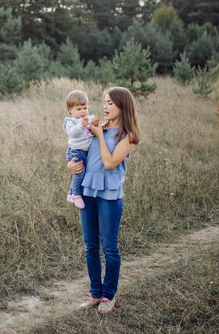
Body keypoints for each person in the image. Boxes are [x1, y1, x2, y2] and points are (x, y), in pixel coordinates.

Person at [67, 86, 140, 314]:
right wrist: (70, 164)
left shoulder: (127, 136)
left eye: (110, 102)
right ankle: (95, 293)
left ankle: (109, 295)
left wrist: (99, 135)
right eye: (104, 102)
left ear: (122, 106)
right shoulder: (97, 128)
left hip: (109, 197)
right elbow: (78, 149)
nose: (105, 106)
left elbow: (109, 163)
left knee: (109, 247)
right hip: (88, 192)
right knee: (90, 246)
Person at [63, 90, 99, 209]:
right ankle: (76, 195)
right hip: (75, 152)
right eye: (78, 109)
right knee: (79, 173)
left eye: (84, 107)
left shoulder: (89, 118)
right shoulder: (70, 121)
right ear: (70, 111)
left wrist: (95, 123)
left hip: (87, 152)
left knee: (83, 174)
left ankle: (70, 194)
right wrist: (81, 125)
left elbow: (95, 130)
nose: (83, 111)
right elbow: (72, 133)